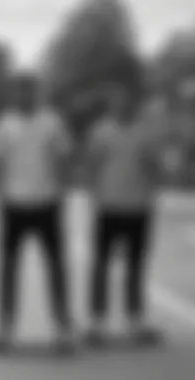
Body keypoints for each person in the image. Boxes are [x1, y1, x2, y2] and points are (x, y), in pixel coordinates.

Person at [0, 73, 74, 352]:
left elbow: (64, 157)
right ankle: (5, 329)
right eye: (21, 91)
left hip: (47, 204)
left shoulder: (53, 122)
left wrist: (62, 193)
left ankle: (63, 330)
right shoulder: (3, 125)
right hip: (13, 206)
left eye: (30, 90)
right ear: (15, 94)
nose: (26, 95)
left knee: (56, 268)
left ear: (38, 93)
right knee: (9, 269)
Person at [86, 87, 165, 347]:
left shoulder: (146, 133)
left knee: (135, 266)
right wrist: (94, 197)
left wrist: (152, 195)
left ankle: (135, 322)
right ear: (112, 104)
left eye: (128, 102)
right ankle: (97, 323)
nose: (123, 106)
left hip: (138, 207)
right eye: (118, 102)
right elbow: (92, 165)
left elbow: (154, 167)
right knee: (101, 265)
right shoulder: (100, 131)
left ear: (135, 105)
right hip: (108, 206)